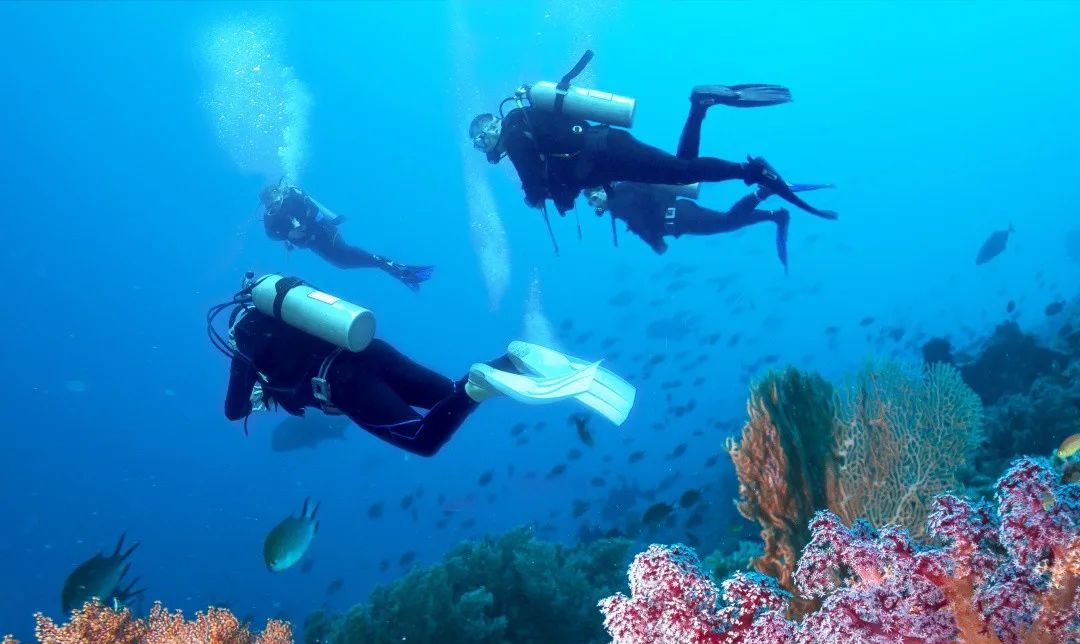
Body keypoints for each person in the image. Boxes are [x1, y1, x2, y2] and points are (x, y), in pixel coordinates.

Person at [209, 276, 635, 458]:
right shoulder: (285, 312)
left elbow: (232, 411)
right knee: (444, 393)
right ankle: (509, 360)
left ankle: (477, 388)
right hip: (371, 351)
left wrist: (254, 386)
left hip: (342, 383)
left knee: (421, 439)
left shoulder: (244, 341)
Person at [469, 81, 836, 222]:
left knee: (681, 171)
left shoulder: (516, 136)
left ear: (490, 132)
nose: (487, 147)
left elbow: (534, 186)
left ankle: (747, 168)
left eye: (482, 140)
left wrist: (536, 198)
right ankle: (705, 113)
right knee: (682, 169)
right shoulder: (526, 118)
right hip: (609, 151)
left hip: (608, 154)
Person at [584, 97, 834, 268]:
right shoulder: (619, 200)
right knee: (727, 220)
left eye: (593, 197)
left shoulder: (619, 196)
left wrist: (655, 243)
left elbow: (643, 218)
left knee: (726, 219)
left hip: (678, 217)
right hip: (679, 218)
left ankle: (764, 193)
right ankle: (772, 214)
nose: (594, 203)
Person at [259, 182, 435, 292]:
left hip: (323, 230)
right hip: (312, 241)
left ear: (281, 195)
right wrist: (288, 233)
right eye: (271, 207)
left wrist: (304, 225)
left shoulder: (294, 197)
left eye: (277, 203)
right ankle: (394, 268)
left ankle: (396, 268)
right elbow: (271, 235)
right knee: (343, 263)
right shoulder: (270, 219)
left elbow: (313, 209)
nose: (276, 208)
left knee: (345, 253)